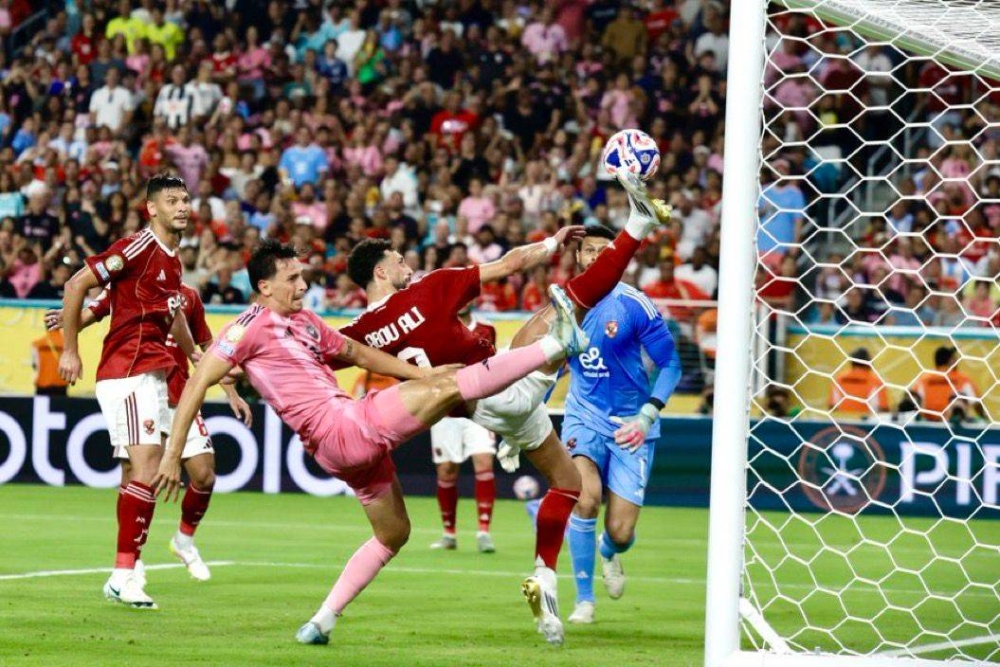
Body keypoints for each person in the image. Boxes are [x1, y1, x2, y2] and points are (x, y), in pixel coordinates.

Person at [151, 239, 589, 646]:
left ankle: (320, 621)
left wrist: (419, 374)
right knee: (450, 385)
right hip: (343, 427)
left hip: (337, 452)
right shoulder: (245, 328)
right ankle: (556, 345)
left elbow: (357, 353)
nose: (303, 285)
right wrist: (173, 454)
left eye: (302, 276)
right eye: (292, 279)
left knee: (394, 533)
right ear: (264, 286)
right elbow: (197, 382)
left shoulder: (305, 321)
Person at [340, 170, 671, 645]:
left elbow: (317, 354)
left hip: (477, 407)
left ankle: (545, 579)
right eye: (397, 260)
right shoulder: (429, 289)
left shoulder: (357, 331)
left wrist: (233, 366)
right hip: (498, 383)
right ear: (380, 272)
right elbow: (510, 264)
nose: (406, 264)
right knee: (573, 302)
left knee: (569, 482)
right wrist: (552, 243)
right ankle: (634, 229)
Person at [45, 282, 253, 582]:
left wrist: (231, 392)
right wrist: (68, 321)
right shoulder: (126, 283)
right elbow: (90, 312)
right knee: (134, 475)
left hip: (180, 396)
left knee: (204, 474)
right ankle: (133, 560)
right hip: (139, 389)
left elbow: (208, 349)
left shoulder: (188, 296)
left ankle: (184, 541)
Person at [58, 173, 193, 609]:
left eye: (185, 199)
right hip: (128, 369)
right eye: (171, 200)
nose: (182, 207)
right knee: (149, 467)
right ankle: (123, 574)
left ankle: (129, 568)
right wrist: (70, 350)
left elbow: (172, 316)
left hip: (150, 373)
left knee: (136, 471)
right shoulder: (137, 247)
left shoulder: (174, 259)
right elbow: (76, 284)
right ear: (151, 208)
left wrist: (197, 354)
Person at [562, 223, 682, 625]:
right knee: (585, 497)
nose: (596, 256)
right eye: (589, 250)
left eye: (604, 250)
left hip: (632, 425)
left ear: (617, 256)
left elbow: (670, 364)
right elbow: (548, 365)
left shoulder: (634, 303)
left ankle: (609, 550)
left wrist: (647, 415)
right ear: (578, 257)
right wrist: (523, 416)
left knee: (621, 532)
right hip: (583, 416)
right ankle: (584, 600)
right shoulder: (564, 305)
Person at [428, 303, 499, 553]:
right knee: (447, 470)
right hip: (445, 409)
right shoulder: (437, 329)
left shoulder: (487, 329)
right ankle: (449, 533)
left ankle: (484, 532)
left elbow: (492, 368)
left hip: (479, 409)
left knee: (484, 462)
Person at [909, 346, 986, 422]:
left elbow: (912, 400)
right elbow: (977, 404)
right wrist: (985, 419)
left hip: (928, 424)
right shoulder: (962, 379)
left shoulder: (923, 379)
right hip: (953, 424)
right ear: (951, 361)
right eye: (954, 358)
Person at [829, 347, 889, 414]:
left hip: (842, 419)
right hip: (866, 419)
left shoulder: (840, 378)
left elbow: (832, 406)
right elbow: (883, 409)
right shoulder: (876, 381)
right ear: (868, 362)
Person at [31, 326, 69, 396]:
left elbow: (35, 365)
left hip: (42, 385)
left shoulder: (37, 344)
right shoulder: (68, 345)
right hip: (61, 385)